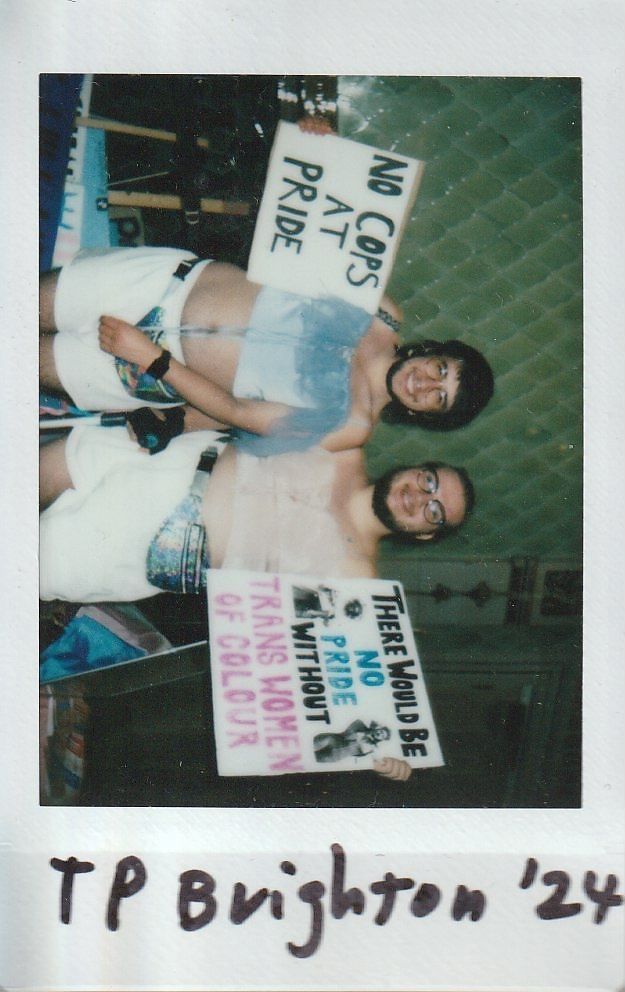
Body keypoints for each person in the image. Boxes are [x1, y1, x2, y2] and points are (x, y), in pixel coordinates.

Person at [39, 247, 494, 456]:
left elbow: (237, 412)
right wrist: (313, 147)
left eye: (439, 397)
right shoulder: (385, 315)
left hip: (147, 370)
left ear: (427, 416)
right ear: (433, 351)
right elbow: (307, 236)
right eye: (440, 369)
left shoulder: (352, 426)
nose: (427, 383)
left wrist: (152, 360)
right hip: (167, 280)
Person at [40, 427, 474, 603]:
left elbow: (340, 670)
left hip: (155, 545)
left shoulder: (358, 575)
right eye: (429, 480)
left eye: (433, 513)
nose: (419, 497)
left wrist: (381, 749)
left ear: (423, 535)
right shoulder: (347, 445)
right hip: (166, 453)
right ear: (419, 467)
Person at [314, 721, 391, 763]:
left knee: (312, 759)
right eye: (381, 731)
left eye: (382, 735)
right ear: (378, 728)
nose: (380, 733)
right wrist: (366, 733)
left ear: (382, 739)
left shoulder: (373, 748)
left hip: (335, 756)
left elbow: (359, 754)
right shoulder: (360, 725)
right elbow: (347, 736)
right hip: (331, 740)